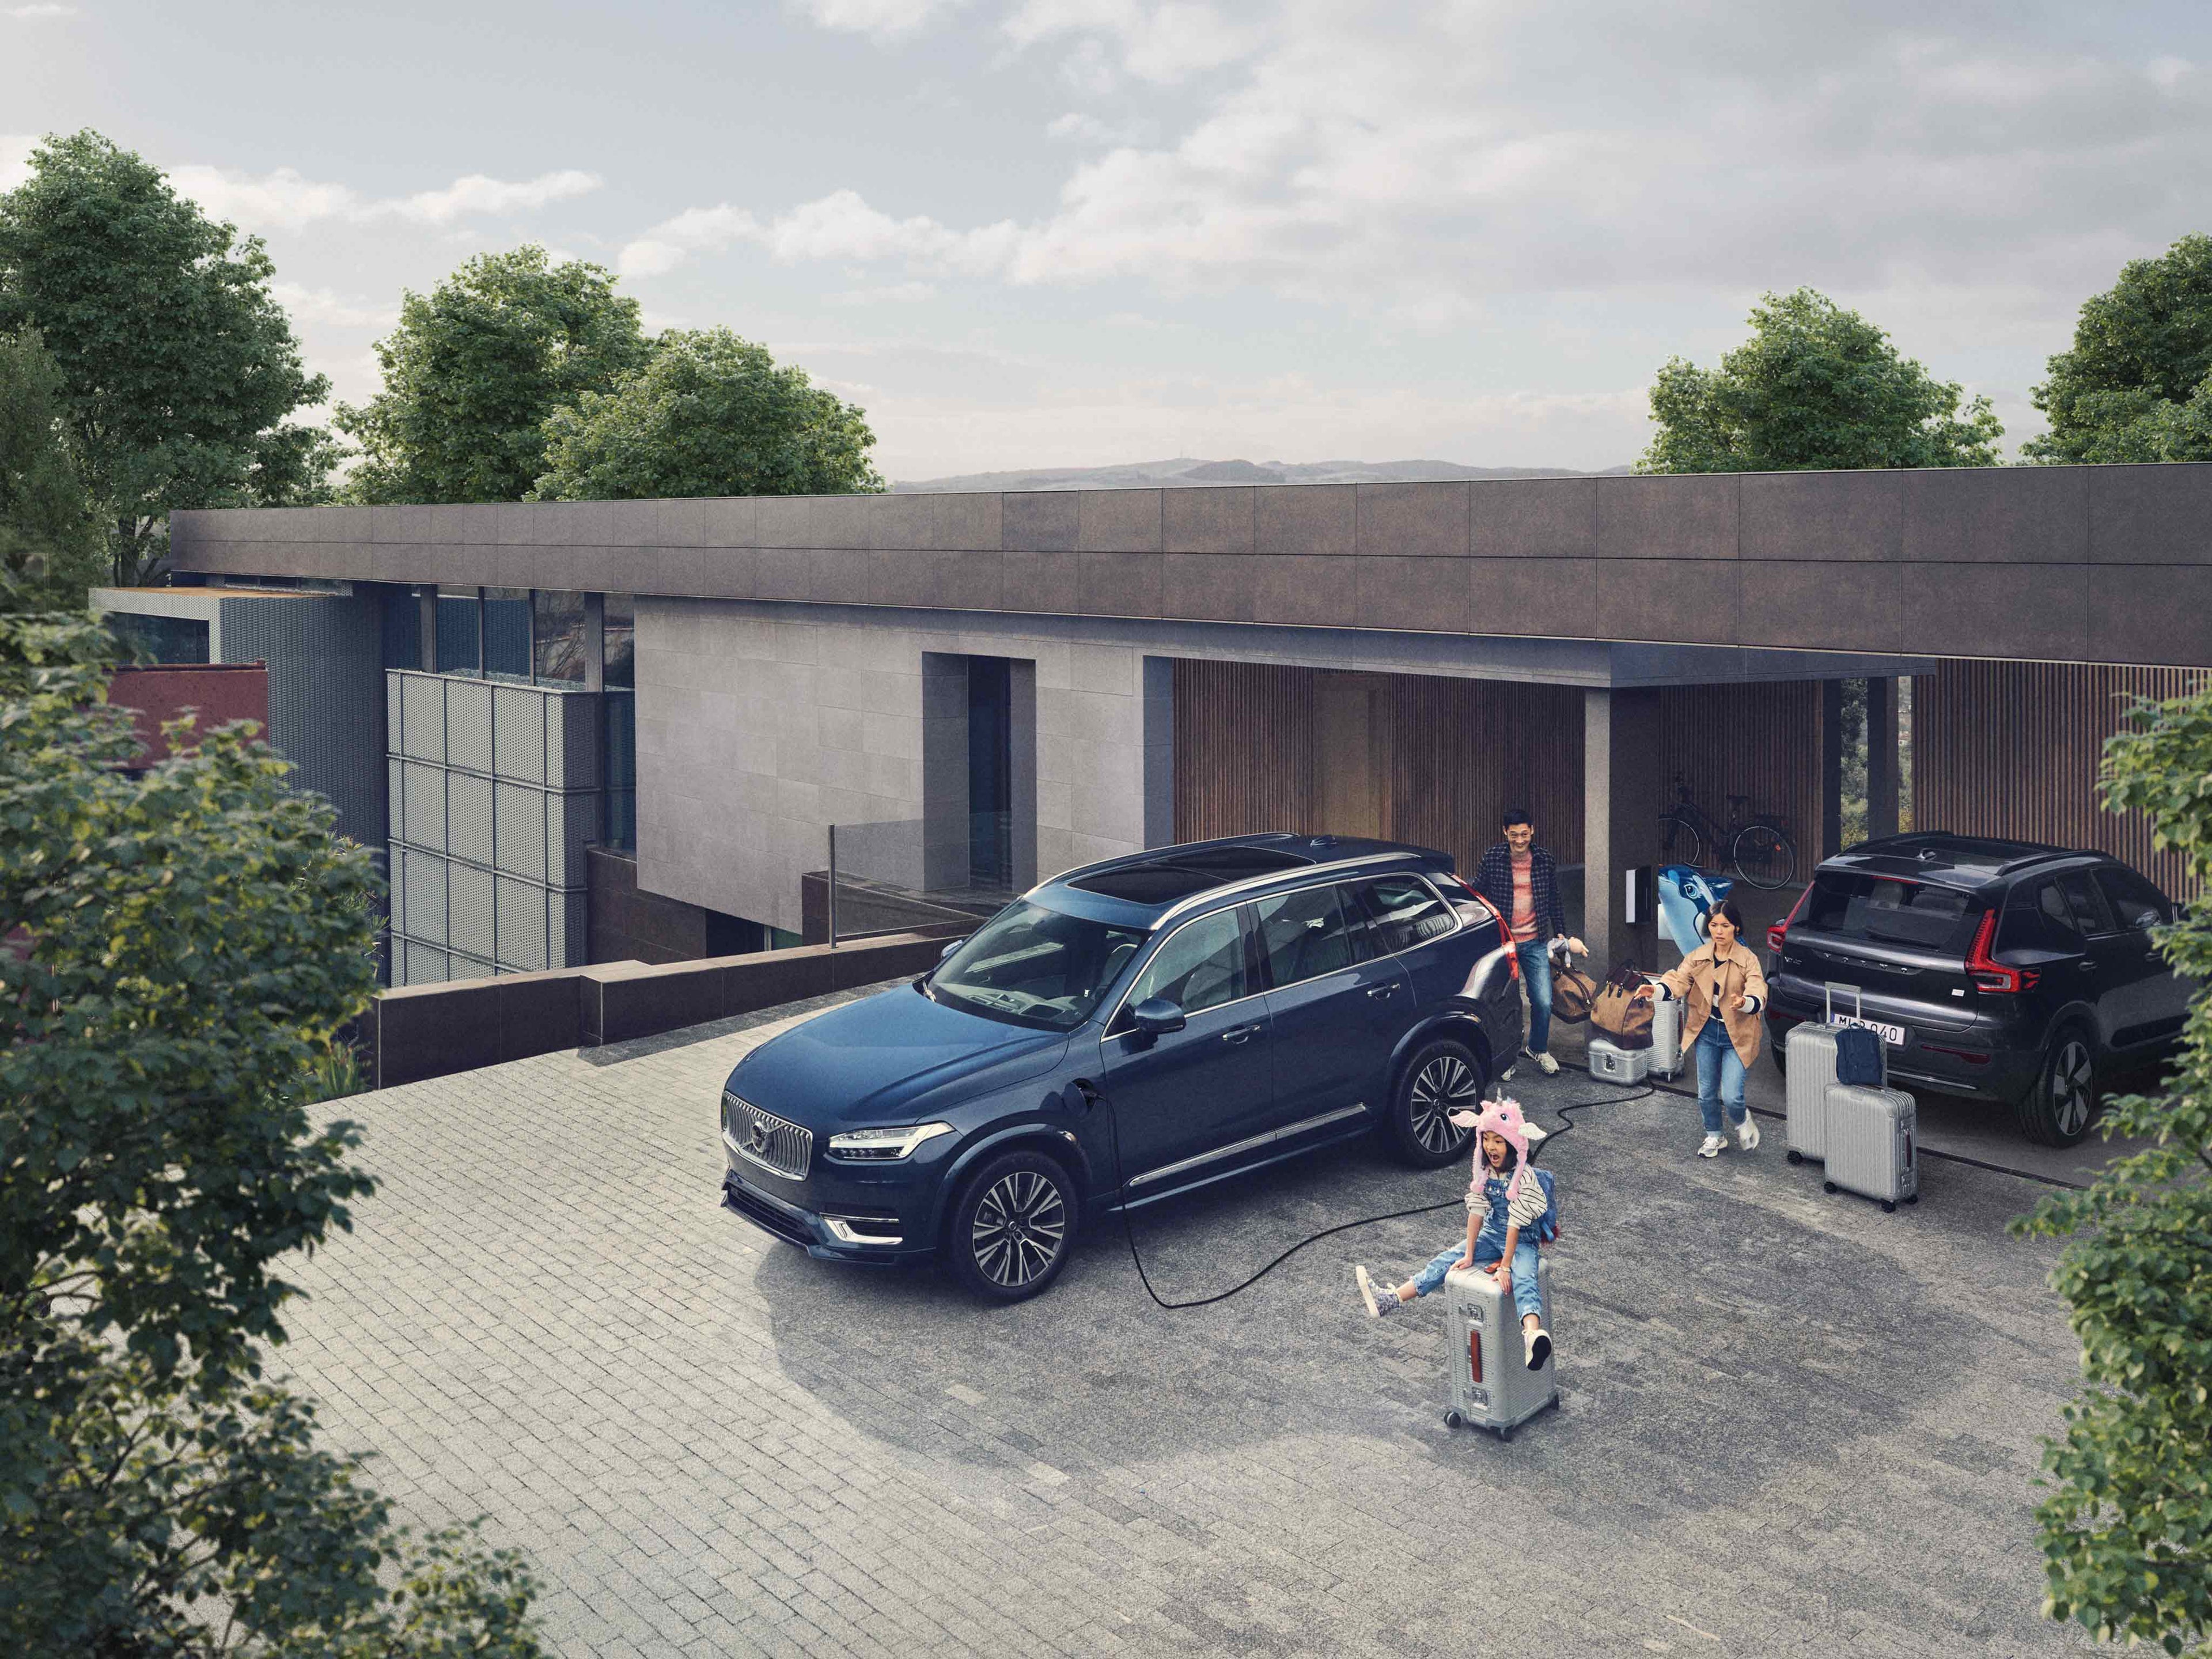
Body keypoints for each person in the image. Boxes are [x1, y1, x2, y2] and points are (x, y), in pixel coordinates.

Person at [1354, 1099, 1554, 1369]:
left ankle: (1532, 1335)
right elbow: (1477, 1213)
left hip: (1521, 1241)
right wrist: (1470, 1253)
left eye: (1499, 1141)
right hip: (1493, 1234)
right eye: (1487, 1139)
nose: (1491, 1147)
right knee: (1448, 1260)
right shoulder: (1485, 1171)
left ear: (1513, 1144)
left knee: (1524, 1279)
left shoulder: (1525, 1177)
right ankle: (1392, 1299)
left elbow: (1515, 1225)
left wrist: (1505, 1266)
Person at [1632, 899, 1768, 1157]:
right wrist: (1656, 990)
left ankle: (1741, 1119)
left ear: (1736, 928)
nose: (1719, 931)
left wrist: (1746, 1002)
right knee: (1706, 1092)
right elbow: (1679, 980)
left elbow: (1758, 987)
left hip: (1737, 1034)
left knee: (1732, 1097)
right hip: (1706, 1031)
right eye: (1714, 925)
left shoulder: (1748, 959)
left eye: (1725, 926)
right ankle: (1715, 1136)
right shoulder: (1698, 957)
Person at [1472, 809, 1587, 1075]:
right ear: (1505, 833)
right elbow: (1478, 892)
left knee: (1543, 1001)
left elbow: (1554, 898)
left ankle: (1538, 1048)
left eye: (1524, 834)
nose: (1520, 840)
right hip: (1503, 944)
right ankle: (1506, 1058)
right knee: (1505, 1005)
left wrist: (1561, 932)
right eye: (1514, 835)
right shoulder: (1493, 857)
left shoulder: (1544, 859)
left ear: (1532, 831)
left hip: (1535, 941)